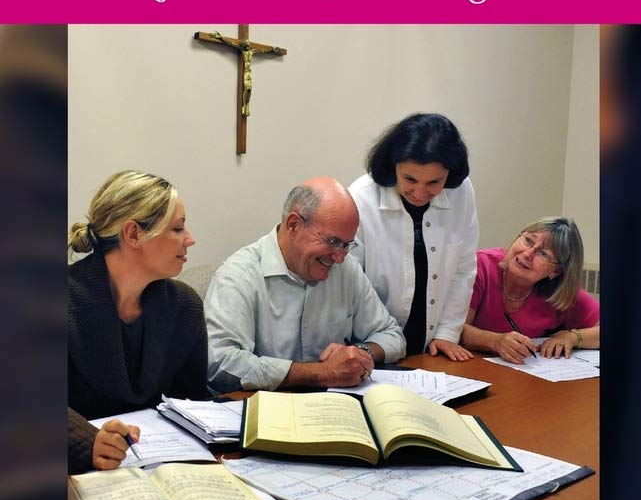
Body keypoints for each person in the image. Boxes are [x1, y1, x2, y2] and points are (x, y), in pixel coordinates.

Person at [205, 176, 406, 392]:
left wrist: (359, 354)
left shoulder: (346, 269)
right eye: (332, 242)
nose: (339, 257)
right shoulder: (239, 276)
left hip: (333, 407)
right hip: (264, 412)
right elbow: (220, 363)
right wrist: (322, 373)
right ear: (293, 225)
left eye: (347, 244)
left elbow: (392, 334)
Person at [68, 170, 209, 473]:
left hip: (163, 469)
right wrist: (85, 442)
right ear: (133, 234)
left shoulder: (185, 306)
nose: (190, 239)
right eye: (178, 228)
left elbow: (193, 404)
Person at [348, 113, 479, 360]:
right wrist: (377, 347)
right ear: (392, 165)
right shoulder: (360, 198)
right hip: (370, 342)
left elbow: (463, 268)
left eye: (434, 182)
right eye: (409, 179)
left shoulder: (461, 193)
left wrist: (447, 333)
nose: (420, 193)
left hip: (431, 347)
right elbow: (349, 283)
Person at [461, 217, 600, 364]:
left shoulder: (558, 290)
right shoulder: (480, 266)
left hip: (524, 376)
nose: (527, 254)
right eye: (528, 240)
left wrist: (573, 337)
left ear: (556, 271)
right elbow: (454, 329)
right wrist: (495, 341)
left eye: (544, 254)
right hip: (468, 368)